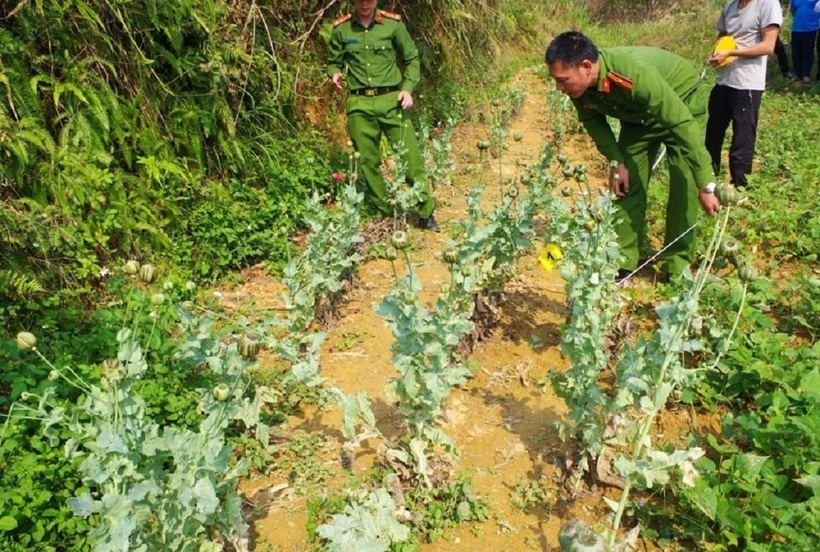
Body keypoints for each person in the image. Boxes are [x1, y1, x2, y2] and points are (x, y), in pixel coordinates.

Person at [545, 31, 721, 281]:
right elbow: (594, 122)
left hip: (682, 105)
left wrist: (705, 182)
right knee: (625, 186)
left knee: (685, 186)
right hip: (639, 120)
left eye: (563, 80)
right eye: (556, 81)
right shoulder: (579, 89)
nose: (559, 88)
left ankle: (676, 266)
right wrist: (617, 162)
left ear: (586, 66)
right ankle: (623, 259)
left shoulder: (632, 73)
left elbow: (680, 122)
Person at [326, 0, 439, 231]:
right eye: (360, 0)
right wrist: (335, 73)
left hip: (392, 101)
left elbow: (411, 58)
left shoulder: (393, 25)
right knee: (367, 161)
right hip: (359, 104)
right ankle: (385, 212)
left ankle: (425, 211)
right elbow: (333, 61)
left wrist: (407, 88)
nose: (365, 4)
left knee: (410, 158)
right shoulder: (342, 29)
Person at [705, 0, 783, 188]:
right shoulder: (730, 6)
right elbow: (722, 38)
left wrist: (732, 52)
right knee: (712, 134)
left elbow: (768, 46)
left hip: (747, 84)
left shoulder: (768, 4)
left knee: (742, 138)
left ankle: (740, 186)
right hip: (724, 81)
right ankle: (708, 180)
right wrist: (717, 54)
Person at [789, 0, 820, 83]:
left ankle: (806, 74)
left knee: (808, 52)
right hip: (796, 28)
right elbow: (792, 10)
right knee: (796, 52)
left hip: (811, 28)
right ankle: (797, 73)